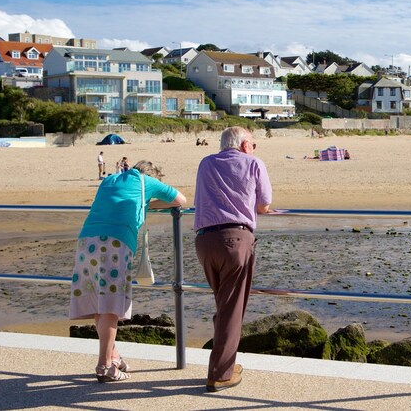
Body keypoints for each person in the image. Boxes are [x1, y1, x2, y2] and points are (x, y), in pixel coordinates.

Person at [69, 160, 186, 383]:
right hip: (114, 244)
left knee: (99, 304)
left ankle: (113, 356)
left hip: (86, 242)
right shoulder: (147, 181)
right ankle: (104, 367)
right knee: (111, 307)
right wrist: (149, 203)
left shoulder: (110, 179)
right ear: (152, 175)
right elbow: (181, 200)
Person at [193, 127, 273, 392]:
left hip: (204, 241)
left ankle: (224, 362)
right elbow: (264, 205)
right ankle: (220, 373)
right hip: (235, 240)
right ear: (243, 145)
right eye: (253, 143)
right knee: (232, 307)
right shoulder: (252, 163)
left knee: (224, 303)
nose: (254, 148)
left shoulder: (206, 163)